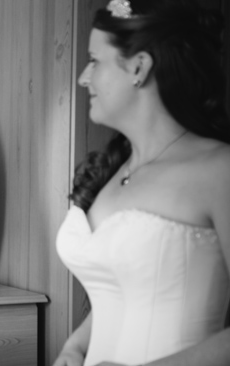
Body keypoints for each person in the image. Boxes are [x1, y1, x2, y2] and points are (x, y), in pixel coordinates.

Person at [54, 0, 230, 365]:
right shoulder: (115, 171)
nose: (83, 78)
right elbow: (120, 290)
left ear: (138, 67)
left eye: (95, 61)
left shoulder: (219, 170)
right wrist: (75, 346)